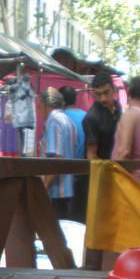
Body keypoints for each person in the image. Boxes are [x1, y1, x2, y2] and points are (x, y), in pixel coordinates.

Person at [38, 87, 76, 220]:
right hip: (67, 188)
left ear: (46, 104)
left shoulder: (54, 121)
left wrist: (44, 186)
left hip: (57, 191)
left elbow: (55, 158)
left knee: (55, 233)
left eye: (39, 105)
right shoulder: (68, 120)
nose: (39, 110)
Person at [59, 85, 87, 222]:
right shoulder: (86, 116)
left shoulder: (60, 118)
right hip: (83, 174)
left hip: (64, 177)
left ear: (61, 101)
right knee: (79, 218)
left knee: (63, 219)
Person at [82, 73, 121, 160]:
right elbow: (91, 155)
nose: (103, 98)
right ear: (93, 93)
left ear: (113, 89)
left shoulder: (117, 107)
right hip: (102, 169)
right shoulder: (91, 118)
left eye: (106, 92)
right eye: (98, 94)